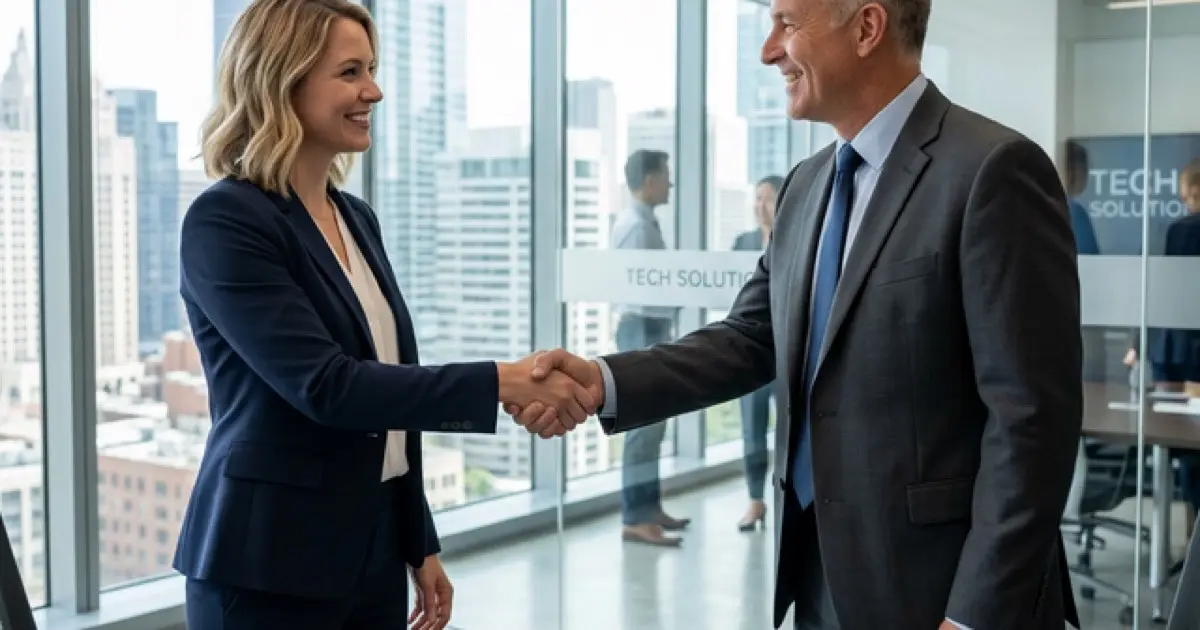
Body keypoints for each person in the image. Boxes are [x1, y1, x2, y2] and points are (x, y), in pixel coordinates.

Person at [509, 1, 1083, 628]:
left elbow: (1031, 420)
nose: (768, 50)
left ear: (867, 28)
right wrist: (602, 381)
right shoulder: (806, 185)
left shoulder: (993, 170)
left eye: (787, 23)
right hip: (817, 572)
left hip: (940, 589)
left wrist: (976, 616)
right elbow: (750, 337)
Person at [174, 1, 594, 628]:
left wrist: (416, 540)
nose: (373, 90)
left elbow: (389, 395)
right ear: (282, 79)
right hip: (267, 560)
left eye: (370, 68)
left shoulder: (355, 218)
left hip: (368, 549)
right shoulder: (226, 220)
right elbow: (329, 386)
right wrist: (504, 379)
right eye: (349, 72)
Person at [610, 150, 690, 547]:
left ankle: (648, 506)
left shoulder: (643, 222)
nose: (670, 184)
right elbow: (638, 289)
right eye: (666, 176)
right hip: (641, 327)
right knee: (642, 426)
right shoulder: (635, 227)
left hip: (650, 326)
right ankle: (635, 517)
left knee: (654, 425)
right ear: (650, 180)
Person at [733, 174, 784, 532]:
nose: (760, 206)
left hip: (788, 355)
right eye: (756, 199)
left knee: (790, 429)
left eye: (766, 198)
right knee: (752, 431)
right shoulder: (743, 243)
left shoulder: (796, 237)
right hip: (751, 353)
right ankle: (755, 500)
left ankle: (786, 499)